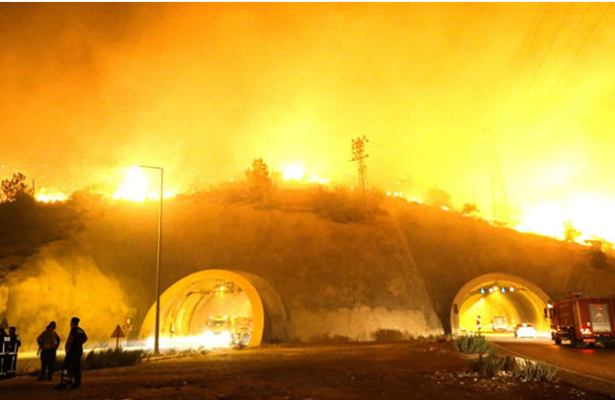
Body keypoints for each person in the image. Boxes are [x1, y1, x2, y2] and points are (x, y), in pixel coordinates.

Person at [55, 317, 87, 390]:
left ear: (72, 323)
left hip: (72, 352)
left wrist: (67, 348)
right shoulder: (81, 330)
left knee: (66, 367)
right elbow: (85, 338)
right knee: (77, 368)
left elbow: (70, 339)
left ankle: (65, 382)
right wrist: (79, 343)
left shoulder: (74, 330)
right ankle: (77, 383)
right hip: (79, 351)